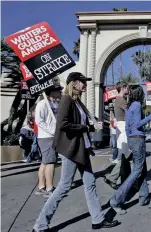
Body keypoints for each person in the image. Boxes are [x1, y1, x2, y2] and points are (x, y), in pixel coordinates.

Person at [33, 72, 119, 232]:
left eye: (86, 82)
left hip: (82, 148)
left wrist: (91, 126)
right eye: (82, 82)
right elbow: (63, 124)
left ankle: (97, 219)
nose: (85, 84)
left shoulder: (77, 101)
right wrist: (84, 127)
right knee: (64, 186)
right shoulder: (66, 100)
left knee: (90, 183)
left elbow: (80, 123)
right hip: (71, 149)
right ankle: (40, 224)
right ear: (73, 83)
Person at [109, 85, 151, 214]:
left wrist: (130, 139)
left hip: (132, 138)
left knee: (142, 170)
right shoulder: (136, 105)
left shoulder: (130, 106)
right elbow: (137, 124)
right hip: (137, 139)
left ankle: (144, 197)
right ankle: (116, 199)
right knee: (137, 170)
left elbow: (127, 126)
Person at [34, 85, 63, 198]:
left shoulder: (54, 104)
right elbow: (39, 121)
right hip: (46, 137)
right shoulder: (42, 104)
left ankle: (41, 187)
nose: (60, 92)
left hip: (52, 136)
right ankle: (49, 188)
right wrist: (52, 131)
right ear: (51, 92)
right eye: (58, 90)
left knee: (45, 162)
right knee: (51, 162)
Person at [104, 82, 130, 189]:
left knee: (125, 155)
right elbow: (129, 112)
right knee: (126, 154)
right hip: (123, 128)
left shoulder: (118, 100)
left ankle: (126, 180)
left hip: (121, 127)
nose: (129, 90)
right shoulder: (121, 100)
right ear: (123, 88)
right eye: (127, 88)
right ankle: (112, 177)